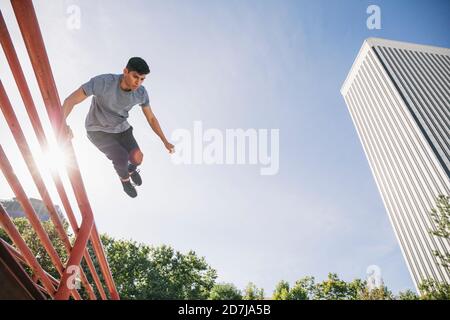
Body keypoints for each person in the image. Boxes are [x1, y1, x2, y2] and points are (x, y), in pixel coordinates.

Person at [61, 57, 174, 198]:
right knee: (120, 158)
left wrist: (164, 140)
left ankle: (131, 171)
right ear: (125, 71)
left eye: (142, 79)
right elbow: (70, 100)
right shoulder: (103, 82)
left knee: (137, 158)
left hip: (121, 128)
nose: (138, 82)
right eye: (135, 77)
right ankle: (125, 181)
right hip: (97, 130)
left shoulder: (141, 93)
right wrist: (62, 124)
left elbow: (151, 117)